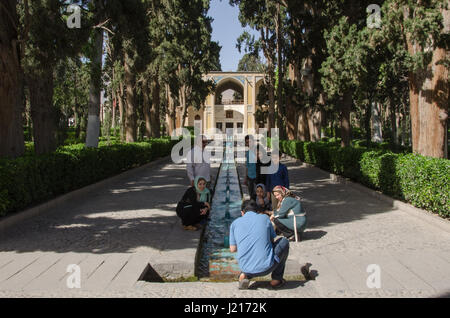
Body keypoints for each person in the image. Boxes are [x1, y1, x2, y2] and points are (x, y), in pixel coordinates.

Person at [229, 200, 289, 290]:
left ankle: (244, 275)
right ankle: (276, 280)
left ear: (242, 213)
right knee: (284, 241)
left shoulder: (234, 224)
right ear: (257, 211)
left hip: (245, 267)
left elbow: (233, 249)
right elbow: (271, 241)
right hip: (266, 267)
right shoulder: (264, 218)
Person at [244, 135, 257, 200]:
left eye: (250, 142)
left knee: (257, 194)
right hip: (249, 177)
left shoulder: (257, 151)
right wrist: (246, 177)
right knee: (251, 194)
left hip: (256, 177)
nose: (248, 144)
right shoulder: (248, 153)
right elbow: (247, 166)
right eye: (247, 142)